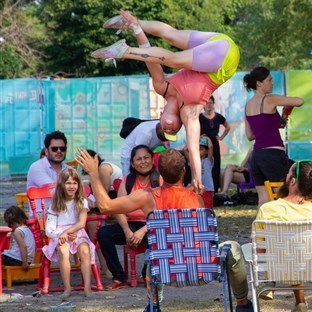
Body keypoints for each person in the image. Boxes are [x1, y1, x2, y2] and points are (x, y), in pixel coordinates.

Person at [76, 148, 254, 312]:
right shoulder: (196, 198)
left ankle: (153, 307)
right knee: (235, 248)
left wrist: (93, 172)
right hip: (203, 271)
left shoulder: (147, 197)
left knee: (154, 251)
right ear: (184, 171)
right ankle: (243, 304)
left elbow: (106, 206)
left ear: (159, 172)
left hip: (165, 271)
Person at [93, 9, 240, 193]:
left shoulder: (162, 87)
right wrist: (197, 178)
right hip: (224, 61)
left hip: (216, 46)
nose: (169, 130)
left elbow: (150, 58)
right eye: (174, 131)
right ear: (180, 122)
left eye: (167, 131)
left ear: (161, 115)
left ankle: (132, 21)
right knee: (174, 58)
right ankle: (125, 50)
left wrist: (139, 32)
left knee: (170, 36)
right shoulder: (190, 112)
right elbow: (193, 148)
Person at [255, 160, 312, 312]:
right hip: (309, 268)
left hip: (277, 268)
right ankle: (300, 303)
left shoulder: (268, 209)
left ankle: (269, 281)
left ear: (292, 181)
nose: (286, 177)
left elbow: (259, 250)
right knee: (299, 248)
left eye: (288, 174)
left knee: (281, 248)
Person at [97, 145, 161, 291]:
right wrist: (127, 231)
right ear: (132, 163)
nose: (143, 162)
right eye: (139, 159)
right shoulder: (127, 180)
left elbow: (162, 213)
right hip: (130, 224)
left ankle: (148, 274)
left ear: (152, 160)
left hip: (152, 226)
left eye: (146, 158)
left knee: (159, 235)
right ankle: (119, 277)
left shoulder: (159, 180)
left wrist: (143, 231)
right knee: (104, 233)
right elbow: (118, 209)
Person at [243, 66, 304, 207]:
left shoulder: (248, 106)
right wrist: (288, 103)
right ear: (259, 83)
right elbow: (299, 101)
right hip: (273, 155)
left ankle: (259, 227)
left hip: (256, 156)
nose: (273, 82)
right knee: (283, 195)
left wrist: (284, 114)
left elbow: (250, 135)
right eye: (269, 80)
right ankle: (287, 225)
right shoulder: (270, 99)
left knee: (263, 198)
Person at [42, 168, 96, 300]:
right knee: (64, 251)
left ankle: (87, 288)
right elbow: (49, 229)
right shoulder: (55, 204)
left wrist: (68, 232)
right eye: (68, 183)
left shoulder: (81, 201)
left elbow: (81, 223)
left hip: (77, 232)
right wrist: (63, 234)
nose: (71, 186)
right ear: (62, 185)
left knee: (84, 250)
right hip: (59, 235)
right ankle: (67, 288)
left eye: (74, 183)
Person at [200, 95, 230, 192]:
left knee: (215, 165)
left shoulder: (218, 116)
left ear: (213, 104)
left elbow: (228, 126)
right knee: (203, 164)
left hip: (214, 143)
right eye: (207, 103)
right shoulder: (200, 117)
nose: (208, 105)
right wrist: (199, 137)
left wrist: (221, 137)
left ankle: (215, 187)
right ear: (203, 105)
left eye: (210, 103)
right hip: (203, 144)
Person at [2, 206, 35, 272]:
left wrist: (24, 262)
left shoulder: (18, 231)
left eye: (11, 224)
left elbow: (23, 247)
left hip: (17, 259)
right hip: (27, 260)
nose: (10, 226)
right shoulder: (28, 229)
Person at [198, 136, 215, 209]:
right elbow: (185, 150)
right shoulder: (193, 161)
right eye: (197, 149)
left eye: (201, 149)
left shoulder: (208, 160)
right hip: (197, 189)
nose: (198, 151)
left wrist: (207, 138)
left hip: (208, 189)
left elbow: (211, 147)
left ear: (206, 151)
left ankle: (209, 220)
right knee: (199, 208)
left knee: (208, 208)